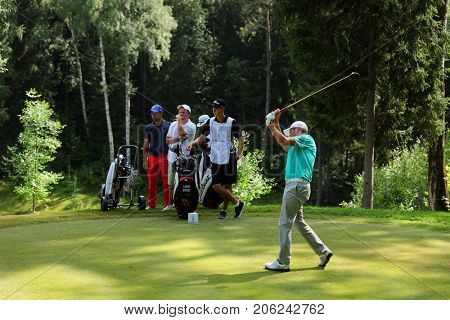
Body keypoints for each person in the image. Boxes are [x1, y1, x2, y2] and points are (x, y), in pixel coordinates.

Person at [265, 109, 333, 272]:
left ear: (299, 130)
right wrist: (275, 124)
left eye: (292, 130)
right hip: (297, 187)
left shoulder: (306, 139)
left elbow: (285, 139)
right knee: (298, 222)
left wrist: (271, 126)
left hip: (296, 187)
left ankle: (283, 262)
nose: (291, 133)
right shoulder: (296, 146)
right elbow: (282, 141)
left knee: (284, 223)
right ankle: (323, 252)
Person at [188, 98, 245, 219]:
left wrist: (239, 154)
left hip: (229, 156)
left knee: (228, 185)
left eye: (216, 108)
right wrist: (193, 143)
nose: (214, 110)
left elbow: (240, 139)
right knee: (216, 185)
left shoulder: (231, 122)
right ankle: (237, 203)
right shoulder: (210, 121)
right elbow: (202, 137)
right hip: (215, 156)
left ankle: (224, 211)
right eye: (213, 108)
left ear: (222, 109)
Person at [164, 104, 197, 211]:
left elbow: (183, 133)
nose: (181, 115)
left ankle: (184, 201)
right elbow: (168, 140)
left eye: (184, 113)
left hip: (186, 157)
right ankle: (170, 203)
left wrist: (178, 124)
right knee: (171, 181)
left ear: (188, 114)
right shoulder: (173, 124)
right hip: (172, 155)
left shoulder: (192, 126)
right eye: (180, 112)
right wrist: (177, 139)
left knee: (184, 180)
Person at [143, 104, 171, 209]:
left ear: (161, 113)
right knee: (151, 182)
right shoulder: (148, 127)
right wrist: (145, 160)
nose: (153, 115)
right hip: (152, 156)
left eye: (155, 113)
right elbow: (145, 145)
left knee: (167, 181)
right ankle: (151, 204)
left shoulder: (169, 125)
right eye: (152, 113)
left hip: (166, 156)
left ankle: (168, 204)